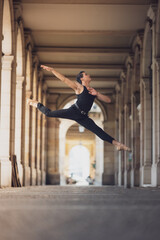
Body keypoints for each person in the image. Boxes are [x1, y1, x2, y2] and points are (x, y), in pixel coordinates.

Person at [27, 65, 131, 151]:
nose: (88, 75)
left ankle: (118, 144)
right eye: (86, 74)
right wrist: (53, 70)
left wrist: (97, 93)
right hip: (74, 111)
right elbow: (64, 79)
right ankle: (35, 104)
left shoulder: (92, 91)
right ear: (82, 78)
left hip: (83, 117)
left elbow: (108, 100)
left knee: (98, 131)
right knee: (49, 113)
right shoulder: (79, 87)